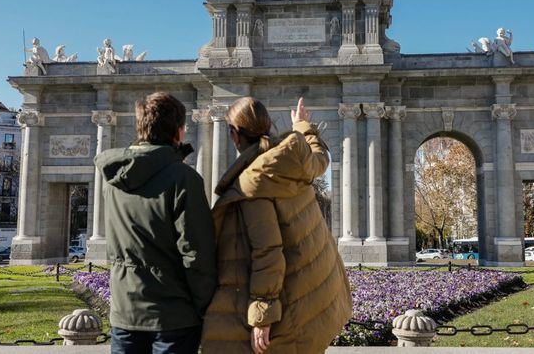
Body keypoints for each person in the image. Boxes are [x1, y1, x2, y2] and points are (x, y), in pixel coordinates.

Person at [201, 97, 352, 354]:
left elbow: (267, 252)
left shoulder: (253, 181)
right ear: (268, 126)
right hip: (313, 295)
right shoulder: (292, 160)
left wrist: (263, 316)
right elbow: (319, 156)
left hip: (287, 302)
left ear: (235, 136)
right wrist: (303, 126)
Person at [94, 92, 217, 354]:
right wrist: (205, 306)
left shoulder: (114, 180)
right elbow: (196, 255)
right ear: (179, 132)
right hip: (173, 318)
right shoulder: (184, 179)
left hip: (124, 312)